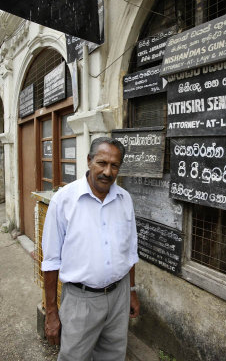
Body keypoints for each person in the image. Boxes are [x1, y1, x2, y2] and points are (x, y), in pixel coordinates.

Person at [41, 137, 140, 361]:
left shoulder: (125, 200)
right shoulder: (64, 201)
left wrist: (132, 292)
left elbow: (130, 251)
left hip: (119, 296)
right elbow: (51, 261)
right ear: (88, 161)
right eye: (101, 163)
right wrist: (51, 312)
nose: (107, 171)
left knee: (114, 356)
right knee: (74, 357)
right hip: (80, 301)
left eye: (114, 165)